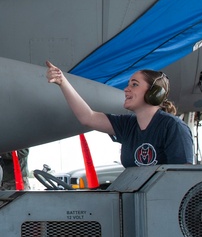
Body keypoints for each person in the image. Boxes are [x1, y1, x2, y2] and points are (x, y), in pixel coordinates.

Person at [45, 61, 194, 168]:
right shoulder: (127, 125)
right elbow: (88, 117)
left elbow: (181, 177)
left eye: (134, 85)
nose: (126, 89)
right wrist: (62, 82)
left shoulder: (172, 127)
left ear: (154, 93)